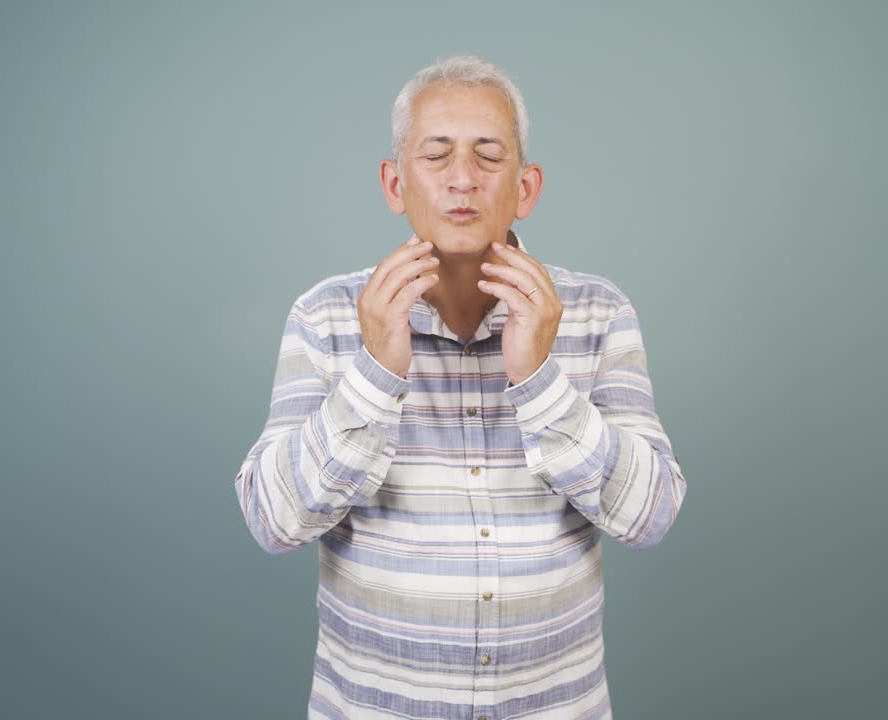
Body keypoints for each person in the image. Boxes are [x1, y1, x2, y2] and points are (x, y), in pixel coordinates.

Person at [234, 54, 687, 720]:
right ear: (395, 184)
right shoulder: (326, 316)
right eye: (436, 156)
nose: (463, 181)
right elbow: (272, 522)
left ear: (526, 188)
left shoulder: (597, 313)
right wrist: (375, 374)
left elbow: (652, 516)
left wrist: (539, 379)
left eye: (488, 157)